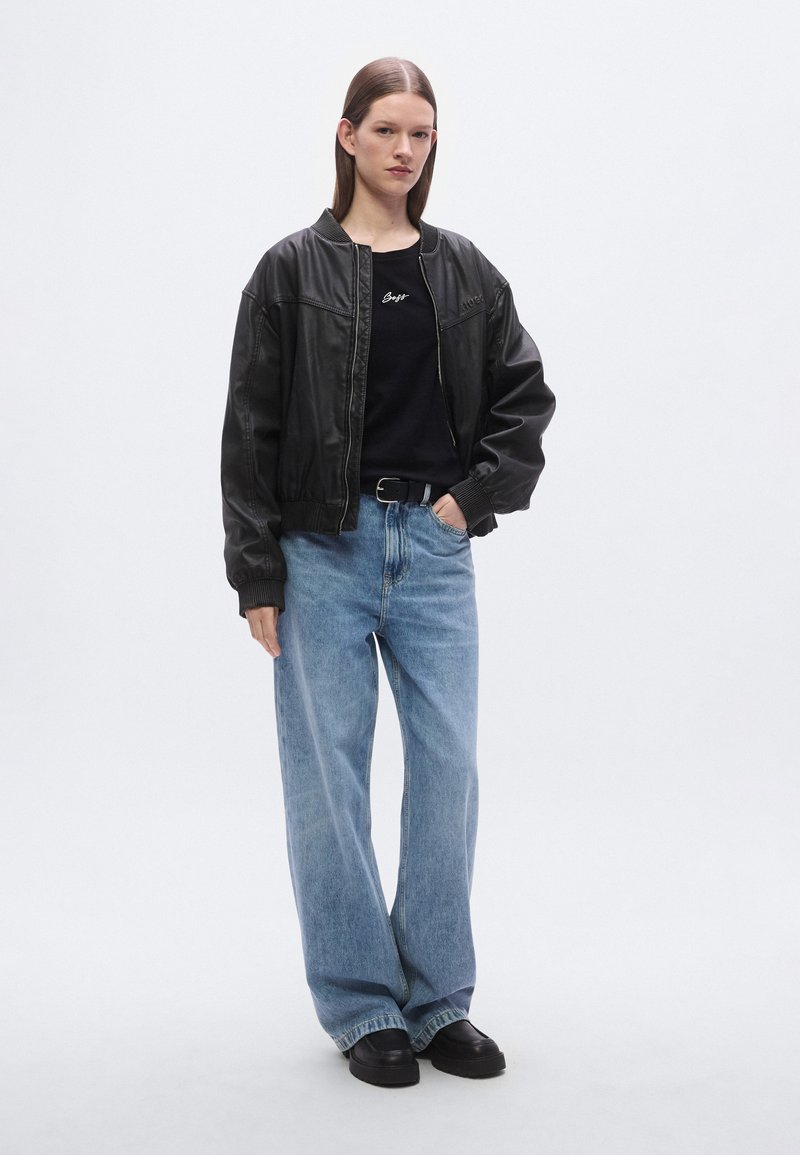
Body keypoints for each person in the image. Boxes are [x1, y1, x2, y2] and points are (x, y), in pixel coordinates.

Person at [220, 57, 555, 1088]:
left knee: (447, 772)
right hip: (320, 550)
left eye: (421, 133)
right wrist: (256, 571)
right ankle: (363, 1004)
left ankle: (438, 997)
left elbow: (524, 399)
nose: (405, 149)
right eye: (387, 130)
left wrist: (468, 501)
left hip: (435, 551)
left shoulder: (463, 270)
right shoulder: (290, 270)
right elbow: (250, 425)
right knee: (329, 781)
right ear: (347, 135)